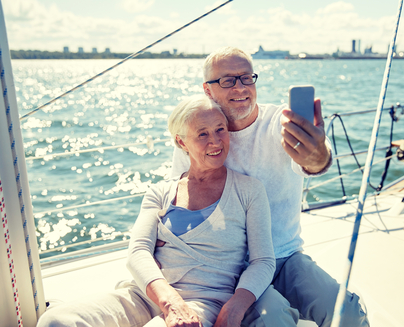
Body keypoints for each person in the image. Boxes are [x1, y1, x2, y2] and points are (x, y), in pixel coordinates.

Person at [171, 47, 369, 327]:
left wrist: (318, 157)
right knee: (272, 318)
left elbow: (315, 161)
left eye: (247, 78)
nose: (240, 87)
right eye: (228, 80)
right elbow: (180, 199)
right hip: (228, 266)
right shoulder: (197, 135)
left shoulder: (282, 124)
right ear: (208, 89)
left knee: (346, 311)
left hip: (285, 256)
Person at [37, 95, 276, 327]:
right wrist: (170, 302)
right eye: (202, 134)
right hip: (147, 295)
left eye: (220, 129)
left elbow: (263, 261)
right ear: (182, 142)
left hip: (205, 301)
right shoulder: (160, 191)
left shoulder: (249, 190)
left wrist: (235, 307)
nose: (215, 141)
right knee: (55, 320)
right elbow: (138, 251)